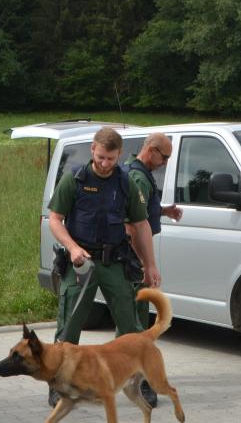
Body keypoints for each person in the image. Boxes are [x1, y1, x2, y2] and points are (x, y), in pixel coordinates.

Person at [47, 126, 158, 406]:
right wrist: (72, 248)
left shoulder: (125, 182)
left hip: (114, 261)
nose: (105, 163)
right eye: (100, 157)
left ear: (119, 154)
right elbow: (55, 219)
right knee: (69, 325)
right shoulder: (75, 179)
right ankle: (58, 383)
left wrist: (150, 265)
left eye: (110, 159)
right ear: (93, 151)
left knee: (131, 327)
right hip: (81, 263)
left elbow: (141, 224)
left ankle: (140, 382)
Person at [123, 132, 183, 407]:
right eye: (165, 156)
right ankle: (141, 382)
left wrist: (164, 210)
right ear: (151, 150)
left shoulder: (139, 175)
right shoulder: (137, 177)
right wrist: (145, 264)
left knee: (137, 319)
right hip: (135, 257)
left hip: (137, 256)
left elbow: (144, 210)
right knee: (138, 322)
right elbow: (133, 225)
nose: (165, 162)